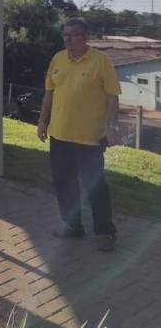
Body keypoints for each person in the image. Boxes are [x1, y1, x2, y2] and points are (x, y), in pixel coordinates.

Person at [37, 18, 120, 252]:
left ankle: (105, 232)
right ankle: (72, 225)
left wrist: (110, 127)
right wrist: (42, 121)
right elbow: (49, 92)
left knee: (96, 186)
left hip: (90, 138)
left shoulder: (101, 61)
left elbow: (112, 96)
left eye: (74, 35)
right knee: (64, 183)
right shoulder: (58, 58)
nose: (68, 39)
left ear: (86, 37)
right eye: (65, 35)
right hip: (59, 135)